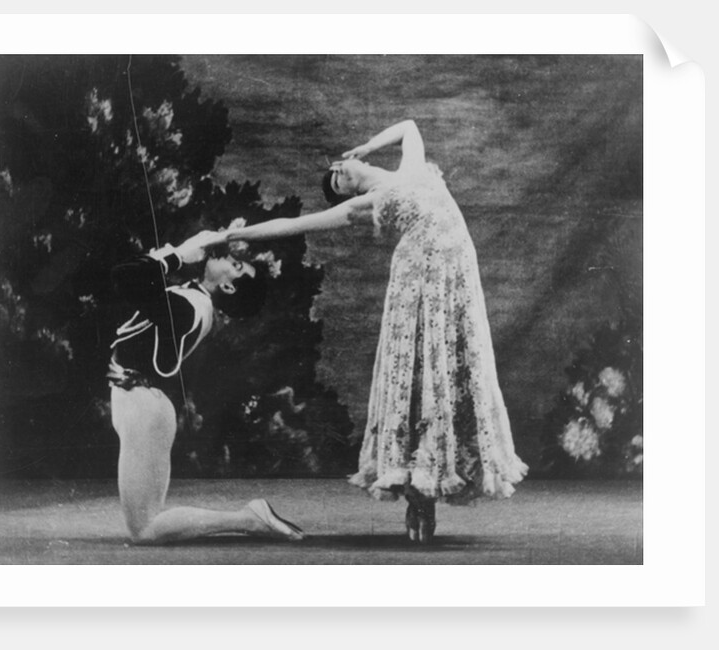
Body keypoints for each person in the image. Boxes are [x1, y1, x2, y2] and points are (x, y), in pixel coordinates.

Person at [218, 120, 528, 543]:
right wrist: (235, 234)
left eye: (339, 172)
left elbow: (409, 128)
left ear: (350, 161)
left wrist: (367, 143)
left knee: (449, 374)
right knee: (419, 376)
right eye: (338, 184)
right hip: (418, 285)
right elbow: (298, 223)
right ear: (349, 192)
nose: (342, 177)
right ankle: (419, 498)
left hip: (453, 282)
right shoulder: (373, 200)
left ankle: (431, 486)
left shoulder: (413, 168)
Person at [108, 230, 305, 544]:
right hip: (140, 404)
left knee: (144, 529)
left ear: (227, 286)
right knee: (146, 520)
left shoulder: (193, 306)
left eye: (238, 267)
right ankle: (250, 518)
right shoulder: (192, 296)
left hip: (144, 408)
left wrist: (179, 254)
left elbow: (126, 276)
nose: (232, 259)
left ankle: (249, 519)